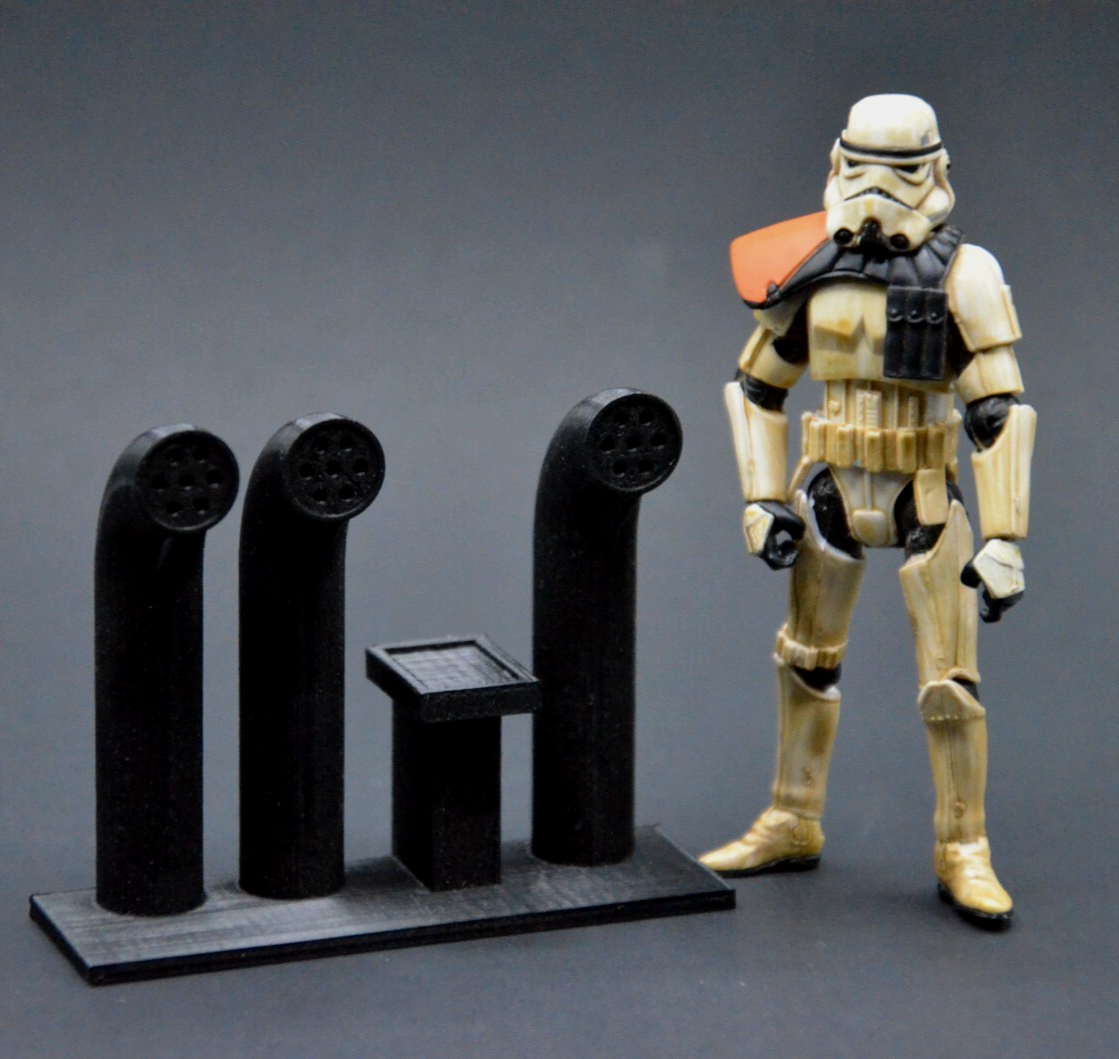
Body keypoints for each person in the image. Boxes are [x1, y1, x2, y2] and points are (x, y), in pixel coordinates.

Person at [701, 94, 1036, 926]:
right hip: (828, 489)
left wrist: (1003, 537)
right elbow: (755, 386)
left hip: (922, 488)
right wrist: (759, 497)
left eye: (901, 171)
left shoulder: (964, 275)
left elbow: (996, 412)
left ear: (936, 172)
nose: (879, 188)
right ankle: (791, 815)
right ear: (836, 164)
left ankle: (963, 845)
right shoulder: (806, 265)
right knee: (803, 659)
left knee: (949, 686)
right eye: (863, 168)